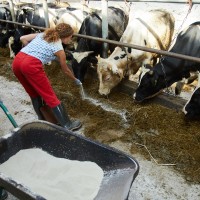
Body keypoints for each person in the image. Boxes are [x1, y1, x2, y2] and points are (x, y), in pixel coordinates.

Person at [12, 23, 82, 131]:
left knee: (33, 94)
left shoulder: (43, 34)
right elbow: (66, 70)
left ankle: (42, 119)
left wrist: (32, 52)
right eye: (71, 37)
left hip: (18, 60)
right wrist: (75, 79)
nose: (71, 39)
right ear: (65, 36)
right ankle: (68, 125)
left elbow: (23, 38)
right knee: (49, 96)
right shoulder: (59, 48)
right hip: (31, 65)